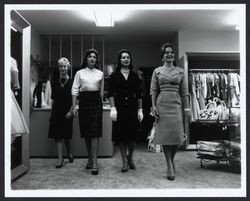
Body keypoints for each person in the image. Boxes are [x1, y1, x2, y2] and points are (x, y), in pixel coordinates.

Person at [150, 43, 191, 180]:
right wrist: (153, 106)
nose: (169, 54)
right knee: (166, 136)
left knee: (176, 136)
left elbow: (185, 91)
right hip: (162, 104)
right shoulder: (157, 71)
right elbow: (153, 91)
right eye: (166, 52)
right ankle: (169, 164)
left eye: (171, 52)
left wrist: (187, 108)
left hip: (176, 104)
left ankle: (171, 161)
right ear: (162, 56)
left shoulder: (180, 71)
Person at [107, 49, 143, 173]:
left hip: (132, 108)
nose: (126, 59)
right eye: (123, 57)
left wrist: (140, 110)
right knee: (122, 136)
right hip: (119, 108)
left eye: (128, 57)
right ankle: (124, 162)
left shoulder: (135, 75)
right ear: (120, 60)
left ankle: (130, 157)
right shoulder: (114, 75)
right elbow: (110, 93)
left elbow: (139, 95)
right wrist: (112, 108)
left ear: (130, 60)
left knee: (132, 137)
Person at [71, 49, 104, 175]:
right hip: (84, 101)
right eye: (90, 56)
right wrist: (74, 107)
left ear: (96, 60)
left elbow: (101, 92)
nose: (92, 59)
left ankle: (94, 161)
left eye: (94, 57)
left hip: (96, 102)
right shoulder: (79, 73)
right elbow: (74, 90)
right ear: (86, 59)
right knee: (86, 132)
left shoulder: (100, 73)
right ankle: (89, 157)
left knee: (95, 132)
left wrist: (101, 103)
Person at [48, 57, 74, 168]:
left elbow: (75, 99)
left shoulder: (72, 81)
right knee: (57, 136)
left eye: (64, 66)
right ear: (58, 68)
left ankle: (68, 153)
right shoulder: (55, 81)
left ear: (68, 67)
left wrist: (71, 111)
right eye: (60, 66)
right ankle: (60, 159)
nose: (62, 68)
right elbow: (53, 99)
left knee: (66, 136)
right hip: (56, 112)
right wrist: (50, 113)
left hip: (67, 112)